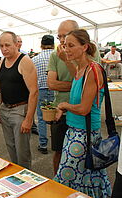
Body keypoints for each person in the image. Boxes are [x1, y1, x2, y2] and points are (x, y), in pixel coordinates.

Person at [53, 29, 111, 197]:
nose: (66, 49)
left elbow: (84, 108)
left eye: (71, 45)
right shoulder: (80, 70)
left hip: (84, 135)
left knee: (66, 178)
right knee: (88, 178)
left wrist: (64, 105)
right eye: (64, 46)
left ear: (85, 47)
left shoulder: (92, 70)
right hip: (75, 131)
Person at [47, 20, 101, 175]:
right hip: (65, 117)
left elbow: (85, 84)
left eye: (67, 39)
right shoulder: (55, 55)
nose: (63, 42)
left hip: (83, 123)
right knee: (59, 153)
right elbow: (52, 84)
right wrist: (75, 87)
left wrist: (66, 60)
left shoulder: (90, 61)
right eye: (60, 37)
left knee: (84, 166)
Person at [0, 31, 38, 169]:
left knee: (22, 152)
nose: (4, 48)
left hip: (20, 110)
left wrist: (28, 119)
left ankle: (27, 179)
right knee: (10, 147)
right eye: (1, 45)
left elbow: (34, 91)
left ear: (16, 44)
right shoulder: (2, 61)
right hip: (5, 109)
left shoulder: (25, 61)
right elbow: (3, 86)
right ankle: (16, 177)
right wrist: (0, 109)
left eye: (7, 45)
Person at [32, 35, 55, 154]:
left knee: (41, 118)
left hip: (40, 89)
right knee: (57, 116)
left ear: (41, 45)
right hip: (56, 89)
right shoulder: (58, 57)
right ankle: (57, 143)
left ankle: (43, 145)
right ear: (53, 44)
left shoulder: (35, 59)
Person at [17, 35, 38, 135]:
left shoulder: (25, 55)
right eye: (18, 41)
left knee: (30, 107)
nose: (19, 43)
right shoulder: (5, 58)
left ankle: (32, 123)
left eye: (21, 41)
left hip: (25, 88)